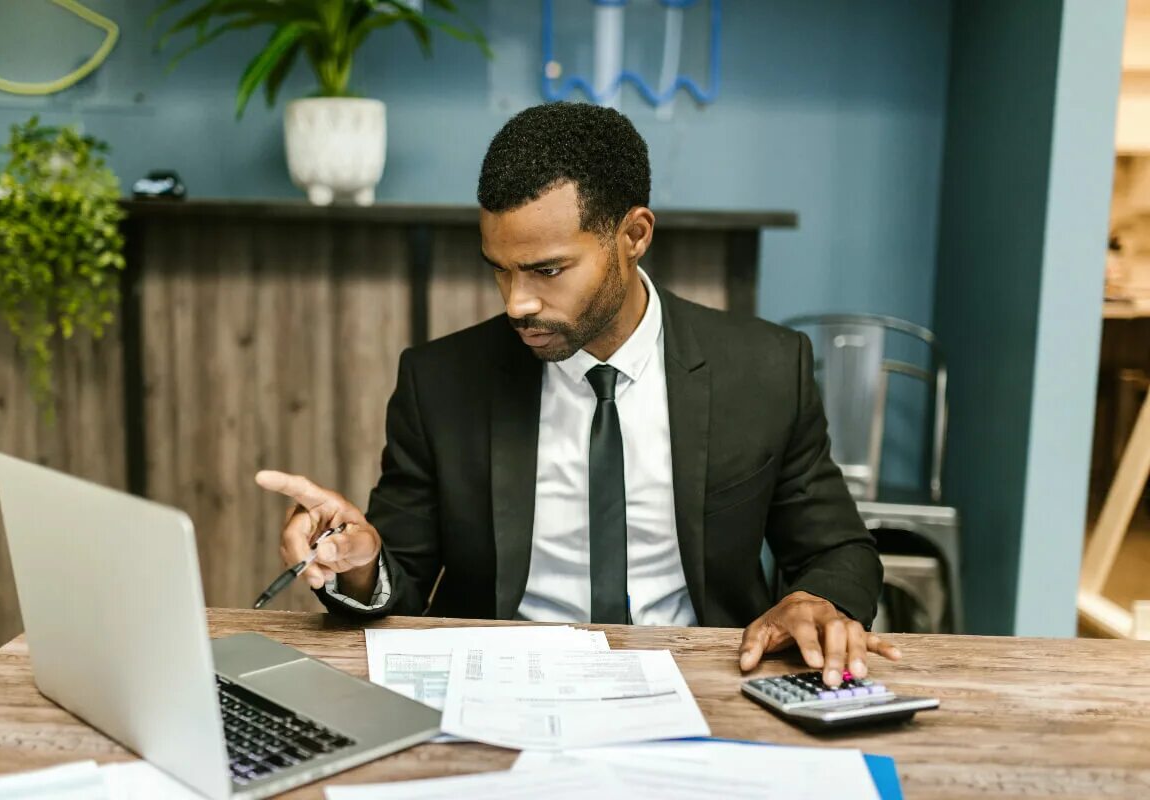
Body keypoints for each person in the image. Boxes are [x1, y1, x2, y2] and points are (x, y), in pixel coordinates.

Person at [256, 102, 898, 688]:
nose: (518, 303)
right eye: (499, 271)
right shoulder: (441, 381)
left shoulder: (762, 369)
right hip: (503, 687)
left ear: (634, 235)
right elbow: (402, 576)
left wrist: (821, 601)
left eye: (547, 270)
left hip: (707, 679)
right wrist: (359, 562)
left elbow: (836, 548)